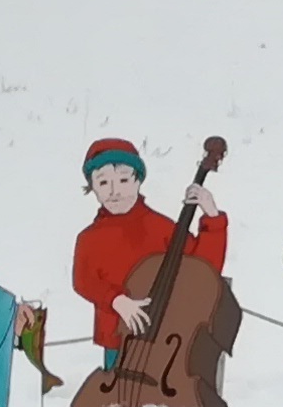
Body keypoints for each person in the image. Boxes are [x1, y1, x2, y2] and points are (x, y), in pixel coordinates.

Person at [70, 136, 227, 361]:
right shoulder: (88, 239)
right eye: (103, 183)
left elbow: (204, 269)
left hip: (167, 337)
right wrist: (117, 301)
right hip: (116, 341)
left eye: (124, 180)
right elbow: (83, 281)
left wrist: (212, 216)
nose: (114, 191)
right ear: (92, 187)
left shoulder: (160, 227)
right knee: (115, 393)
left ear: (138, 181)